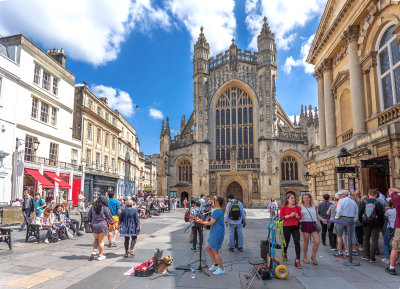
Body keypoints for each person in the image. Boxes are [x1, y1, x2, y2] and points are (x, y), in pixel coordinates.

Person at [195, 196, 226, 275]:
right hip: (214, 232)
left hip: (217, 233)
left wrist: (201, 222)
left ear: (217, 202)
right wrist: (203, 221)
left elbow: (211, 223)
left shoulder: (217, 211)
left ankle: (221, 268)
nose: (212, 202)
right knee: (207, 247)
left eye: (214, 201)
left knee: (215, 251)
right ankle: (215, 264)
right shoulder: (218, 211)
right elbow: (212, 222)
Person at [300, 192, 327, 265]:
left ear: (310, 198)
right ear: (302, 199)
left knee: (317, 241)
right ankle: (305, 257)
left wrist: (322, 219)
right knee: (306, 242)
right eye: (304, 198)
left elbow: (317, 215)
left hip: (313, 224)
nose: (306, 199)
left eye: (307, 198)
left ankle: (313, 256)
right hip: (304, 224)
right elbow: (298, 216)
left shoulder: (314, 206)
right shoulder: (300, 206)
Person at [358, 189, 384, 263]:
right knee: (374, 240)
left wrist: (361, 221)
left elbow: (360, 213)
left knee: (366, 238)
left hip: (365, 223)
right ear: (376, 195)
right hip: (376, 224)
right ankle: (372, 257)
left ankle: (367, 255)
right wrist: (381, 224)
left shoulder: (363, 202)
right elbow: (381, 215)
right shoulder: (378, 203)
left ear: (368, 194)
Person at [87, 196, 115, 261]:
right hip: (102, 225)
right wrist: (112, 224)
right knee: (101, 241)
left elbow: (88, 215)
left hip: (94, 225)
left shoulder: (93, 207)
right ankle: (100, 255)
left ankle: (94, 251)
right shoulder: (105, 208)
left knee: (96, 239)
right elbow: (109, 217)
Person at [280, 192, 302, 269]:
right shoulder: (283, 207)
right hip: (286, 226)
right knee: (286, 241)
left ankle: (297, 260)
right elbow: (281, 217)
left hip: (295, 226)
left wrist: (297, 216)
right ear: (288, 199)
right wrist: (289, 215)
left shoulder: (297, 207)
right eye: (291, 198)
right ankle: (285, 252)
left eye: (294, 198)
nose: (293, 199)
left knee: (297, 241)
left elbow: (300, 217)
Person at [333, 190, 358, 258]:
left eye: (340, 195)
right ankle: (348, 252)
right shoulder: (353, 201)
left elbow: (339, 211)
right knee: (348, 236)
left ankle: (340, 252)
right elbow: (356, 212)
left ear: (344, 194)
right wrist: (354, 219)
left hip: (341, 218)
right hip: (350, 219)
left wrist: (336, 217)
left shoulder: (341, 201)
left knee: (339, 235)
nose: (339, 196)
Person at [386, 188, 400, 275]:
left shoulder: (397, 199)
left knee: (396, 247)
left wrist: (397, 190)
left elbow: (390, 190)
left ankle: (392, 267)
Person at [382, 199, 396, 264]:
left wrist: (386, 209)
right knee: (396, 245)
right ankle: (395, 259)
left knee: (386, 243)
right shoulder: (397, 210)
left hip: (390, 228)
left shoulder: (388, 211)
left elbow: (386, 218)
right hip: (397, 228)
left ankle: (388, 258)